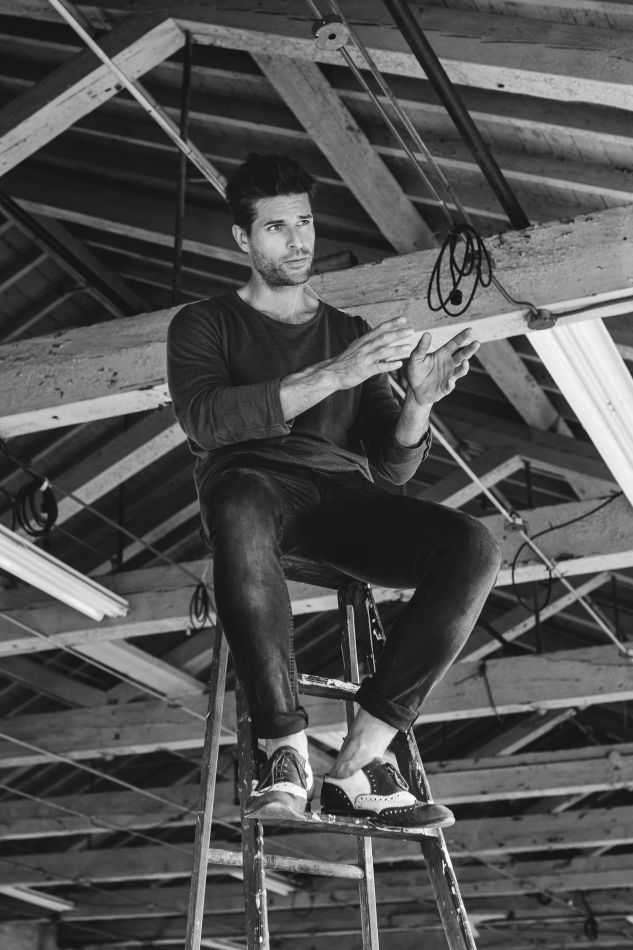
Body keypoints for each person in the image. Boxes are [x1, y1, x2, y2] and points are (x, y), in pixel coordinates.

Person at [167, 153, 501, 830]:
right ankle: (282, 751)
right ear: (241, 239)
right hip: (254, 491)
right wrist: (333, 375)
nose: (297, 240)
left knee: (472, 544)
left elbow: (391, 466)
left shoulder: (348, 331)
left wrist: (418, 403)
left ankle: (364, 756)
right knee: (237, 499)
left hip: (343, 501)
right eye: (276, 227)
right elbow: (205, 420)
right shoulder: (204, 324)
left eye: (305, 222)